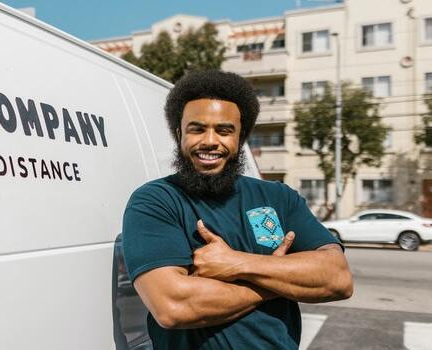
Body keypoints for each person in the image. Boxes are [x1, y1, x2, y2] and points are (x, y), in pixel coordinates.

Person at [121, 70, 353, 349]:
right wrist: (277, 277)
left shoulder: (278, 197)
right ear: (179, 132)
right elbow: (173, 306)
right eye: (197, 128)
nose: (209, 141)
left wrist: (236, 263)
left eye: (224, 130)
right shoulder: (156, 201)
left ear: (240, 137)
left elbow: (337, 278)